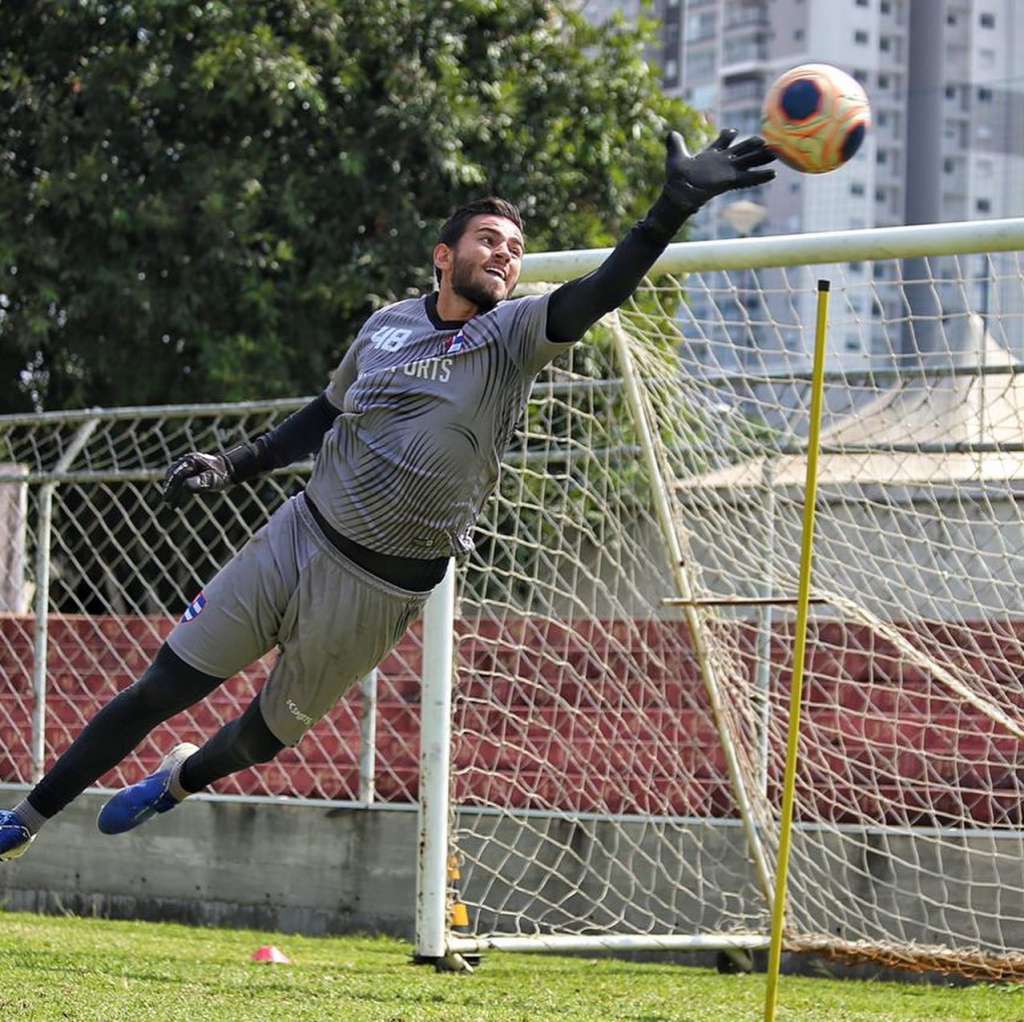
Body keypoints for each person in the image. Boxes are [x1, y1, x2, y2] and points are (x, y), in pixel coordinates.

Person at [0, 128, 775, 860]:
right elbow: (326, 414)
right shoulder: (386, 327)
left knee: (260, 741)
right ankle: (23, 821)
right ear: (445, 255)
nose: (505, 256)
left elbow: (600, 291)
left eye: (515, 249)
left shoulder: (516, 338)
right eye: (488, 241)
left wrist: (670, 208)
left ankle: (178, 780)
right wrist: (235, 463)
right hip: (300, 534)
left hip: (379, 587)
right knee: (157, 689)